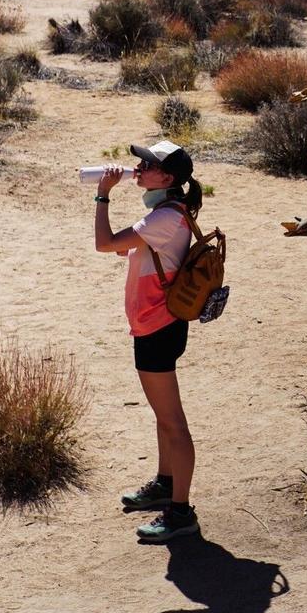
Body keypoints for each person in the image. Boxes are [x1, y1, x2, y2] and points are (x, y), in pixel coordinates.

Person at [93, 139, 203, 544]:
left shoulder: (165, 218)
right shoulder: (167, 212)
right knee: (164, 416)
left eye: (148, 164)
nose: (137, 167)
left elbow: (104, 244)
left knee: (173, 420)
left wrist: (102, 196)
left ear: (168, 178)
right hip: (157, 323)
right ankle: (164, 484)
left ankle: (180, 510)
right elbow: (130, 251)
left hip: (157, 326)